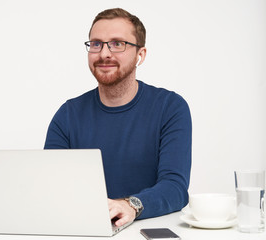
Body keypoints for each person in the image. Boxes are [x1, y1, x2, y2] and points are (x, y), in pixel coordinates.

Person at [44, 8, 192, 227]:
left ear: (140, 55)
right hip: (84, 229)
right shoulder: (67, 114)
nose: (104, 53)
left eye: (117, 43)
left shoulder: (170, 107)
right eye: (96, 43)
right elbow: (51, 187)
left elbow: (175, 188)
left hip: (144, 228)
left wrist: (130, 206)